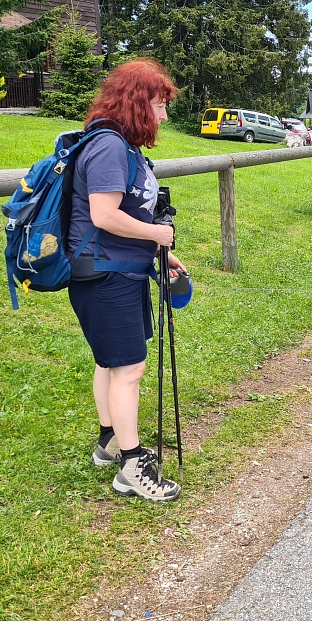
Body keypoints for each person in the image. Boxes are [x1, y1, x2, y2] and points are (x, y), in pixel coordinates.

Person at [66, 58, 186, 502]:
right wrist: (157, 233)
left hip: (121, 270)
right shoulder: (109, 147)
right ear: (139, 102)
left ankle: (110, 441)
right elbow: (103, 215)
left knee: (111, 363)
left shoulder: (123, 147)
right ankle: (132, 468)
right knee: (129, 369)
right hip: (106, 275)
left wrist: (163, 253)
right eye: (160, 105)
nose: (165, 116)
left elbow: (126, 214)